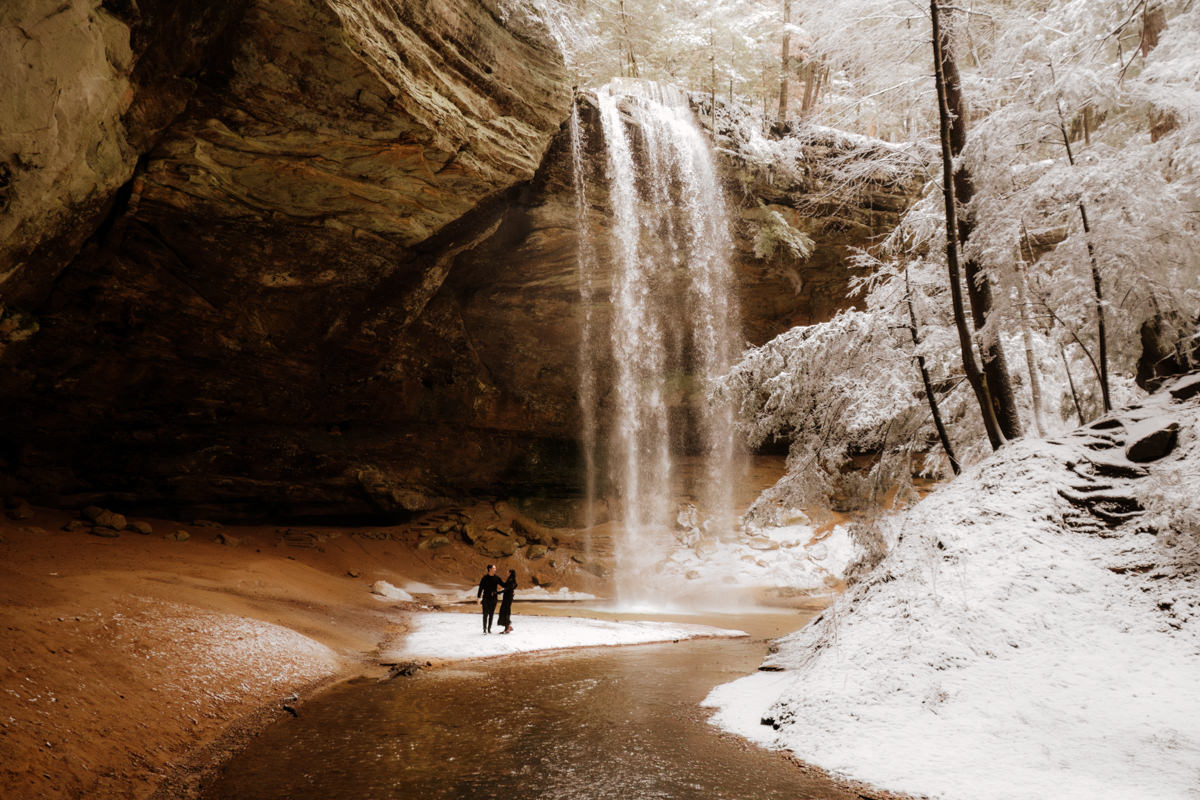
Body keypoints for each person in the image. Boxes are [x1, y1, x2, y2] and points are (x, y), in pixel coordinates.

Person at [476, 564, 502, 634]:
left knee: (491, 614)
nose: (495, 569)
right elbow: (480, 588)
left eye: (495, 568)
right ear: (490, 569)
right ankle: (484, 629)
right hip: (485, 599)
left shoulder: (497, 578)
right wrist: (478, 598)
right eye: (494, 568)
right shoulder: (484, 578)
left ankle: (489, 629)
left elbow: (503, 584)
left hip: (494, 599)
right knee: (485, 614)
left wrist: (511, 585)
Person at [497, 569, 517, 634]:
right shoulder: (511, 579)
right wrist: (499, 580)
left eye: (508, 571)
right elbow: (506, 585)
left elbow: (508, 588)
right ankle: (508, 626)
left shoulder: (511, 579)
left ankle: (507, 628)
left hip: (508, 597)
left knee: (505, 611)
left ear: (510, 573)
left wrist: (500, 592)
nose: (507, 572)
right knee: (506, 610)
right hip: (508, 597)